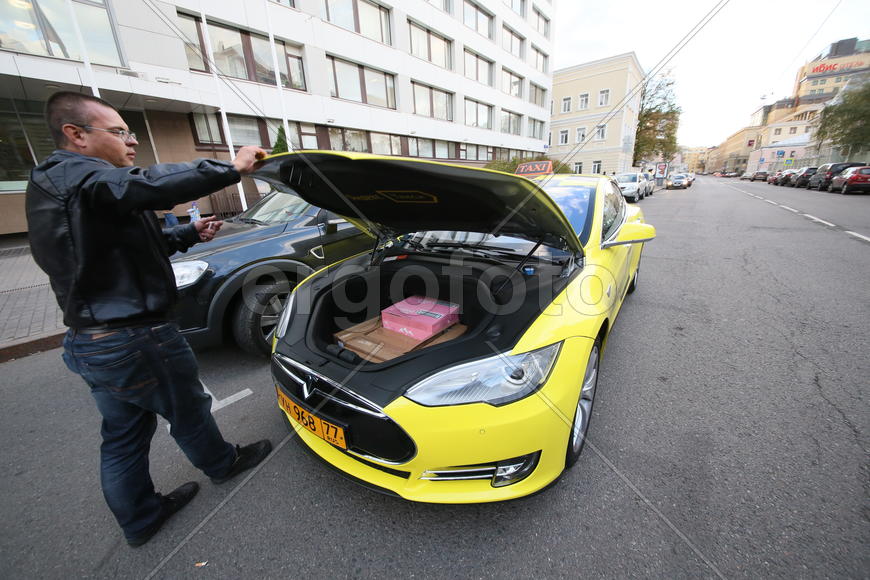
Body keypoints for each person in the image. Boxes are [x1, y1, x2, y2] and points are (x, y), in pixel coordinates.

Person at [26, 91, 273, 548]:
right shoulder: (83, 178)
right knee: (189, 410)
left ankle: (140, 518)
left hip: (92, 341)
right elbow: (150, 183)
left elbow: (122, 247)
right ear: (76, 135)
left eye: (131, 132)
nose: (132, 141)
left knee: (123, 435)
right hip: (135, 338)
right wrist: (229, 168)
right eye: (119, 132)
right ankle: (224, 464)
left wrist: (186, 233)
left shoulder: (64, 188)